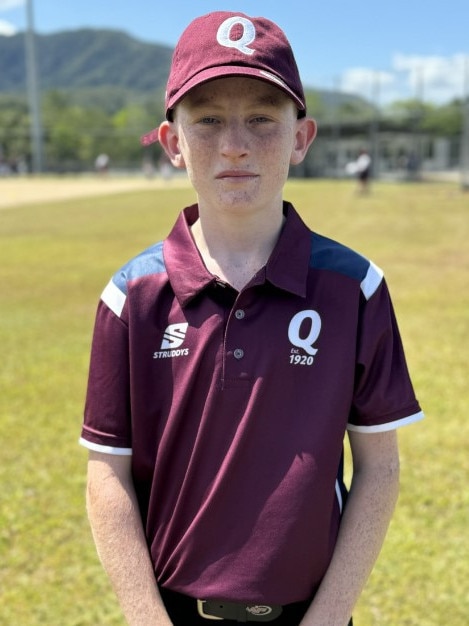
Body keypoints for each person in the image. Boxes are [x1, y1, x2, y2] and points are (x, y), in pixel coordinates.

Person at [79, 11, 424, 626]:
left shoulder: (354, 288)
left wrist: (329, 616)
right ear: (171, 142)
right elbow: (108, 474)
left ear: (301, 137)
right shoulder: (132, 294)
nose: (234, 143)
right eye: (207, 119)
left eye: (262, 119)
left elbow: (380, 467)